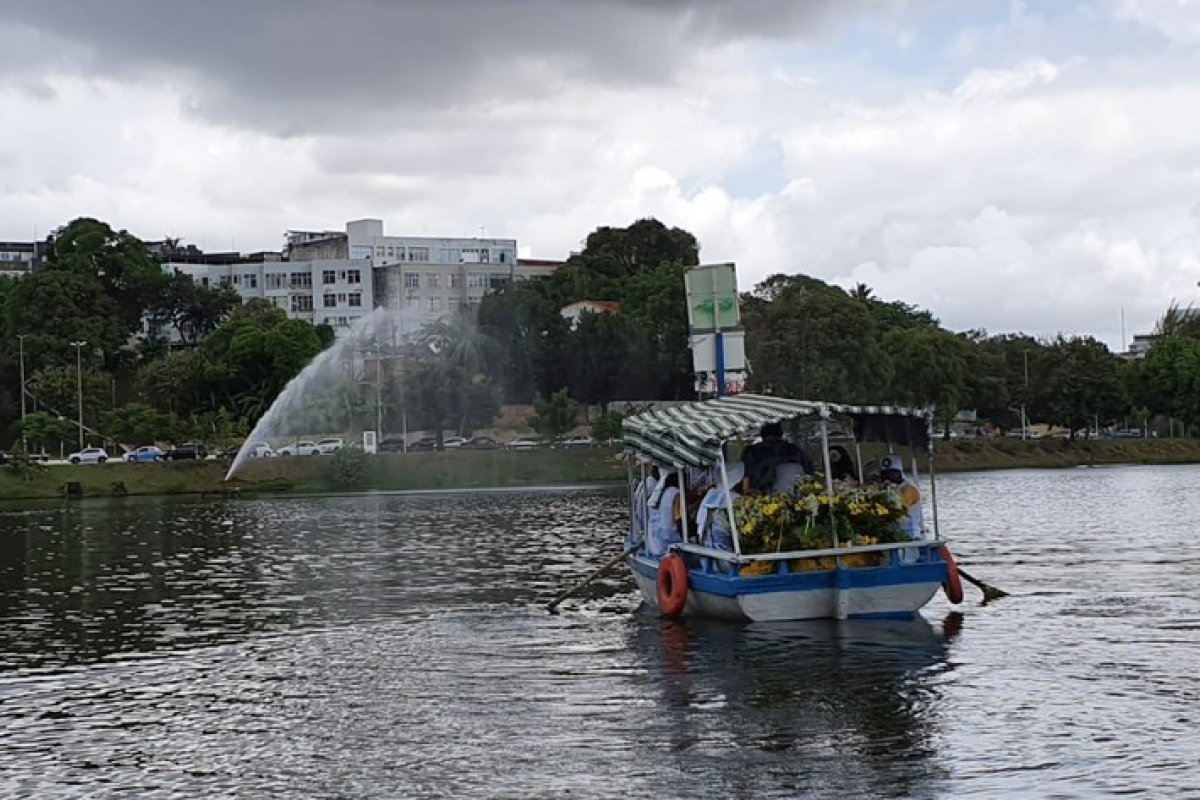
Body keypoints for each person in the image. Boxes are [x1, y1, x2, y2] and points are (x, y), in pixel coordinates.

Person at [696, 462, 745, 571]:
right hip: (727, 562)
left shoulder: (710, 494)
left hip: (706, 560)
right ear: (737, 480)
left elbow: (699, 525)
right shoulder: (735, 498)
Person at [743, 422, 813, 493]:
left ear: (762, 434)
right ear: (781, 433)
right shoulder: (795, 450)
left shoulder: (751, 452)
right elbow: (810, 474)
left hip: (760, 499)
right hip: (797, 499)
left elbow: (744, 484)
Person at [879, 454, 924, 539]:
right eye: (884, 474)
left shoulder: (908, 489)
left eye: (891, 473)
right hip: (893, 533)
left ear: (899, 473)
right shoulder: (888, 488)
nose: (887, 477)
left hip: (909, 534)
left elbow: (898, 511)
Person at [646, 470, 682, 557]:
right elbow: (679, 521)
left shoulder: (657, 495)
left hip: (654, 546)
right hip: (669, 546)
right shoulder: (676, 494)